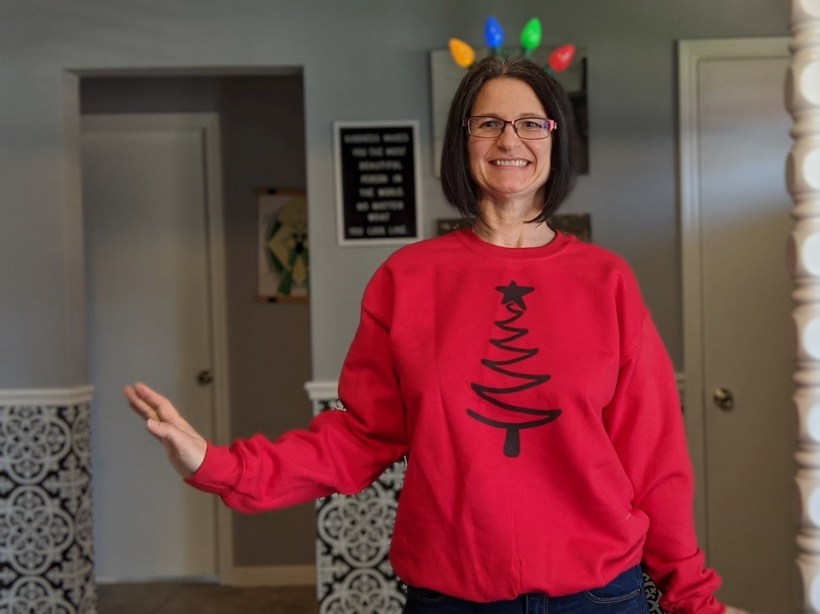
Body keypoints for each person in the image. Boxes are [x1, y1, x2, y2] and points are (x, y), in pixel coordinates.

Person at [126, 55, 742, 614]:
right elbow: (358, 436)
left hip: (602, 598)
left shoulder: (607, 282)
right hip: (451, 600)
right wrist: (219, 464)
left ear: (556, 140)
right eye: (488, 124)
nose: (510, 139)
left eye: (532, 123)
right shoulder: (408, 279)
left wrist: (695, 601)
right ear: (463, 142)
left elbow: (655, 460)